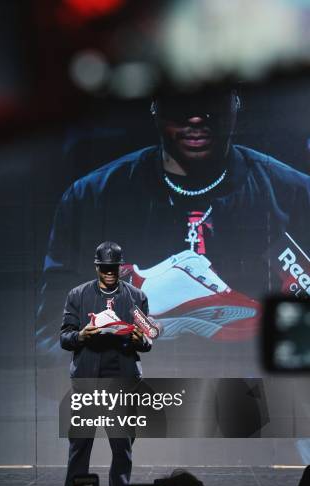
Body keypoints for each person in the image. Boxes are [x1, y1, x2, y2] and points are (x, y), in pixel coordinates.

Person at [37, 84, 310, 376]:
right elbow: (54, 337)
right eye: (181, 100)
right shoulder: (91, 198)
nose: (196, 117)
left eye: (211, 99)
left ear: (236, 102)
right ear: (155, 105)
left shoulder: (293, 194)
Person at [60, 241, 152, 486]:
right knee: (80, 444)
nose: (109, 272)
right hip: (88, 380)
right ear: (96, 267)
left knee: (122, 447)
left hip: (122, 382)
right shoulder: (78, 295)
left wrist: (139, 340)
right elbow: (64, 337)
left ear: (121, 267)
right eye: (104, 268)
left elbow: (148, 340)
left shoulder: (137, 297)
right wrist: (81, 335)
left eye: (113, 268)